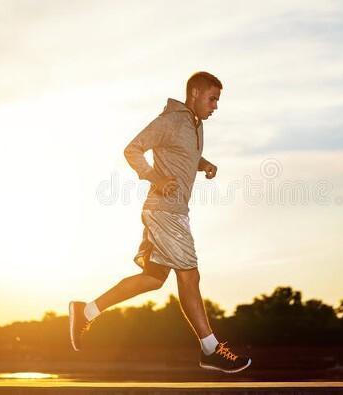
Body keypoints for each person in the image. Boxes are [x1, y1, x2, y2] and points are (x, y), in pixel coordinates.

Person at [69, 71, 251, 373]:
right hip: (165, 212)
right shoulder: (170, 121)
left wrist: (203, 164)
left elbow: (183, 156)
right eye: (212, 98)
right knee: (189, 276)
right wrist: (155, 177)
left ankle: (85, 311)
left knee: (153, 280)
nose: (216, 106)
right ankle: (209, 348)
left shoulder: (196, 125)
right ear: (194, 93)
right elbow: (133, 149)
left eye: (218, 100)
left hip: (174, 211)